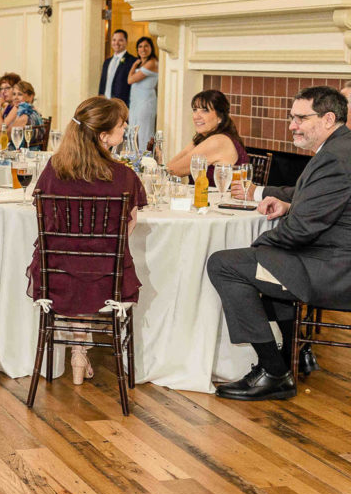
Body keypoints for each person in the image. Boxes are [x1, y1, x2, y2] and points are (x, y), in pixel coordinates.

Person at [207, 86, 351, 401]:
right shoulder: (338, 149)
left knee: (225, 264)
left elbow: (300, 230)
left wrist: (258, 246)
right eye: (291, 117)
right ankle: (290, 357)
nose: (292, 125)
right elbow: (306, 199)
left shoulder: (336, 159)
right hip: (325, 258)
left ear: (328, 119)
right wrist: (273, 199)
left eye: (301, 118)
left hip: (332, 269)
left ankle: (273, 371)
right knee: (263, 265)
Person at [26, 97, 146, 385]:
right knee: (91, 267)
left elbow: (44, 216)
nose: (126, 127)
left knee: (77, 265)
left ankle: (78, 351)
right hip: (107, 278)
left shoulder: (54, 169)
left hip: (57, 276)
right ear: (104, 137)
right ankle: (81, 352)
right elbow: (130, 223)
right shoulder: (124, 176)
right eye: (121, 125)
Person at [167, 90, 248, 184]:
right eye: (195, 110)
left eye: (205, 111)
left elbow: (174, 171)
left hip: (220, 198)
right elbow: (170, 168)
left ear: (220, 117)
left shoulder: (218, 141)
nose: (196, 116)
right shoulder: (201, 138)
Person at [127, 36, 159, 149]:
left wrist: (134, 65)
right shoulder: (142, 63)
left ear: (151, 48)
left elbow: (130, 80)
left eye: (146, 46)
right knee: (133, 132)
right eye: (140, 46)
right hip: (136, 101)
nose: (143, 49)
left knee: (144, 132)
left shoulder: (152, 63)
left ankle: (146, 160)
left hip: (146, 102)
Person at [98, 29, 138, 106]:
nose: (116, 43)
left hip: (122, 105)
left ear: (126, 42)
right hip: (105, 104)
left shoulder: (133, 61)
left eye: (120, 40)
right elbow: (102, 84)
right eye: (114, 40)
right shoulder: (107, 62)